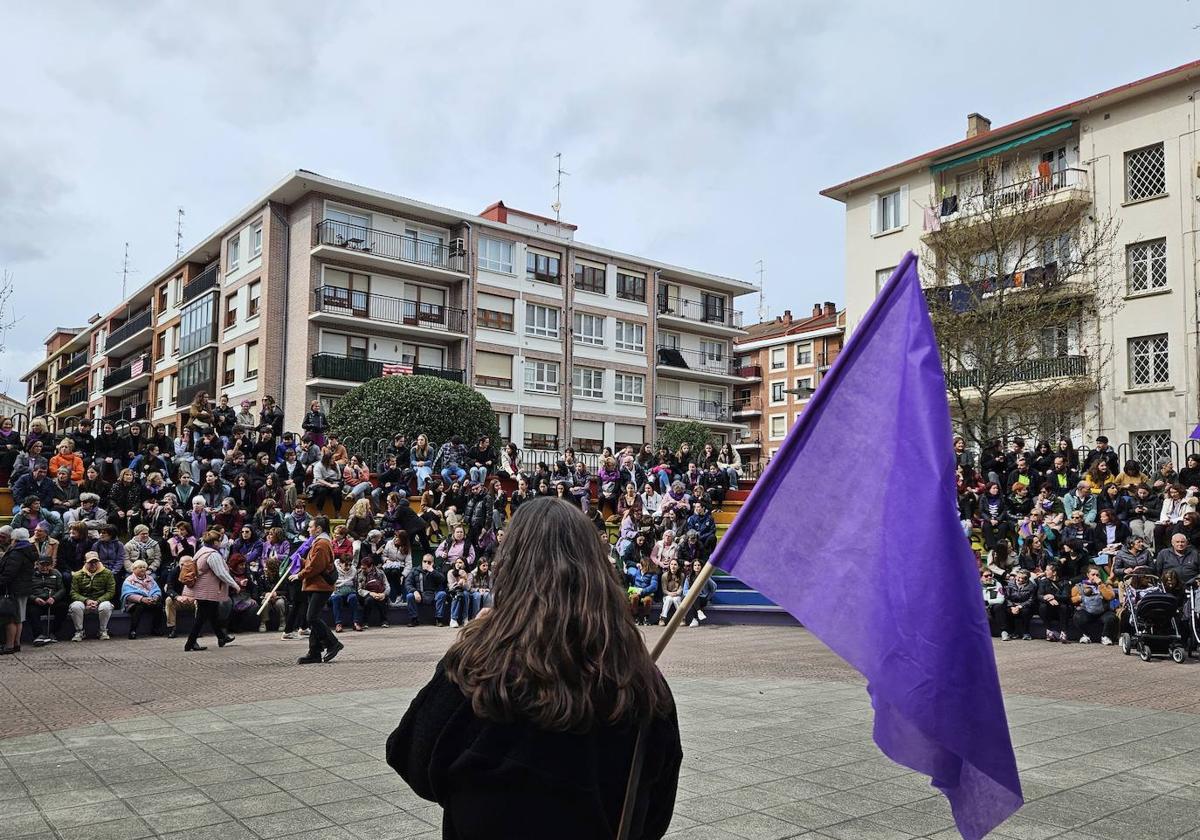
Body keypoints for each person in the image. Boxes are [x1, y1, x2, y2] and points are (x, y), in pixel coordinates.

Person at [387, 496, 681, 840]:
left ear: (510, 569)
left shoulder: (479, 666)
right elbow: (654, 814)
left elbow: (413, 759)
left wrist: (464, 651)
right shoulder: (640, 682)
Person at [295, 515, 343, 664]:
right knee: (312, 618)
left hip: (320, 586)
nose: (309, 529)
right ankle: (314, 651)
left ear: (319, 528)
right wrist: (299, 561)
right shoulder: (320, 542)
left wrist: (299, 575)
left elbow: (316, 566)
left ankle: (332, 643)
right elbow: (314, 562)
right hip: (315, 585)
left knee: (312, 617)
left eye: (311, 527)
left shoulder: (321, 543)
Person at [182, 530, 239, 652]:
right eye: (219, 540)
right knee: (201, 617)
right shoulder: (213, 554)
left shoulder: (201, 551)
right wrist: (234, 584)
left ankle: (221, 637)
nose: (221, 542)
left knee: (213, 614)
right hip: (207, 590)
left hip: (202, 589)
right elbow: (221, 573)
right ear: (215, 542)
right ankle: (190, 643)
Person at [0, 529, 38, 653]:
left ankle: (9, 645)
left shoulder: (16, 553)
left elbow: (9, 574)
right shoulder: (29, 549)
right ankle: (16, 644)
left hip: (13, 589)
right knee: (19, 618)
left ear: (15, 540)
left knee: (10, 618)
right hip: (24, 588)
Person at [68, 551, 116, 642]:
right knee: (75, 606)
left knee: (106, 606)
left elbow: (111, 591)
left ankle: (103, 631)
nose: (93, 564)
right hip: (84, 603)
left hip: (100, 602)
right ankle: (79, 631)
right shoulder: (77, 575)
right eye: (90, 562)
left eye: (95, 562)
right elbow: (73, 592)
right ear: (85, 562)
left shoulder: (108, 573)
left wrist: (98, 601)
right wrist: (86, 600)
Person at [1070, 565, 1117, 645]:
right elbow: (1072, 600)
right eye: (1093, 575)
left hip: (1102, 611)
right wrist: (1081, 597)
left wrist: (1100, 585)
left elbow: (1110, 597)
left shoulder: (1105, 585)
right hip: (1086, 610)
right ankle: (1086, 635)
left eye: (1097, 575)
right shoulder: (1079, 586)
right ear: (1088, 575)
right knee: (1077, 616)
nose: (1095, 577)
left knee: (1111, 617)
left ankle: (1105, 636)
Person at [120, 560, 163, 639]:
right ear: (134, 569)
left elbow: (156, 590)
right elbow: (128, 594)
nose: (143, 569)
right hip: (133, 604)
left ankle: (156, 629)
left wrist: (155, 597)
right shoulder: (129, 580)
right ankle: (133, 631)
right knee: (139, 607)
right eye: (140, 567)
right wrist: (142, 599)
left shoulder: (150, 578)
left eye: (144, 567)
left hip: (150, 601)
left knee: (159, 606)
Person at [405, 554, 447, 627]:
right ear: (422, 561)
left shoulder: (436, 569)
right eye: (424, 561)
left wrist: (432, 571)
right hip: (420, 595)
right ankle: (414, 619)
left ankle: (439, 619)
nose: (426, 564)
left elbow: (442, 580)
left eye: (429, 562)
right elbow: (408, 583)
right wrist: (414, 591)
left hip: (433, 594)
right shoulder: (415, 570)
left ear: (433, 563)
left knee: (442, 594)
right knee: (409, 596)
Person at [1036, 563, 1072, 643]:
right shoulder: (1043, 582)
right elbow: (1039, 595)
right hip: (1049, 608)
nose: (1045, 572)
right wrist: (1048, 599)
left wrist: (1054, 596)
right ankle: (1049, 631)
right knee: (1043, 606)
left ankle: (1063, 632)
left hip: (1060, 608)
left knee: (1064, 607)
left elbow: (1066, 596)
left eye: (1047, 570)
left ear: (1054, 572)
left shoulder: (1064, 582)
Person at [1001, 568, 1036, 641]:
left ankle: (1026, 633)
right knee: (1007, 611)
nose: (1020, 580)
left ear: (1027, 579)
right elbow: (1006, 597)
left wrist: (1020, 606)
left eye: (1023, 578)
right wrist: (1012, 606)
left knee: (1026, 612)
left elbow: (1031, 600)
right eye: (1018, 578)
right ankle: (1012, 632)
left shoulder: (1031, 586)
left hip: (1024, 605)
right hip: (1012, 604)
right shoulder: (1010, 584)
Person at [658, 558, 685, 625]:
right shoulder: (664, 575)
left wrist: (677, 593)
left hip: (677, 595)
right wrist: (670, 593)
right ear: (669, 566)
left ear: (678, 567)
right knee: (669, 599)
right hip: (667, 595)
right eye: (671, 564)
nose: (673, 566)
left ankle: (682, 618)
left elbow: (681, 587)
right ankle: (662, 618)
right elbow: (664, 589)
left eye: (675, 564)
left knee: (676, 600)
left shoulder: (682, 575)